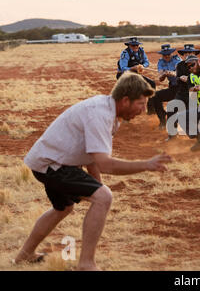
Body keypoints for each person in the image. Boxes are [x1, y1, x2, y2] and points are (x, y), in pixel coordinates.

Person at [14, 73, 172, 271]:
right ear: (125, 100)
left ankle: (24, 255)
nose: (142, 110)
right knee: (103, 197)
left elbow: (94, 157)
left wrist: (97, 186)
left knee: (64, 208)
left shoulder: (110, 113)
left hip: (49, 161)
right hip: (52, 164)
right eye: (141, 104)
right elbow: (106, 164)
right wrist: (146, 165)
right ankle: (86, 264)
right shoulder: (100, 115)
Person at [165, 44, 200, 142]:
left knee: (192, 114)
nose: (187, 55)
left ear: (194, 54)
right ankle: (172, 134)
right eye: (185, 54)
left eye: (190, 53)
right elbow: (177, 80)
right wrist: (179, 78)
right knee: (171, 107)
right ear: (182, 55)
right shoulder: (180, 65)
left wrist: (189, 79)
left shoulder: (199, 64)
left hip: (194, 94)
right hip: (182, 93)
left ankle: (198, 136)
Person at [116, 37, 156, 115]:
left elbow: (147, 62)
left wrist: (142, 66)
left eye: (137, 45)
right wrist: (132, 68)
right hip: (124, 75)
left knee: (152, 84)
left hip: (136, 75)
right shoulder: (125, 53)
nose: (135, 47)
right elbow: (123, 68)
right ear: (129, 46)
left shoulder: (141, 51)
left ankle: (151, 110)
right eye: (133, 46)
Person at [152, 44, 182, 129]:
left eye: (168, 54)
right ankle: (162, 120)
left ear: (171, 53)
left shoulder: (177, 60)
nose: (167, 56)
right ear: (162, 55)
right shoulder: (160, 62)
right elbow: (161, 78)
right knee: (155, 96)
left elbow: (178, 73)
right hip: (173, 87)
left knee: (173, 105)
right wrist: (163, 75)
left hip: (182, 88)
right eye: (165, 55)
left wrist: (173, 73)